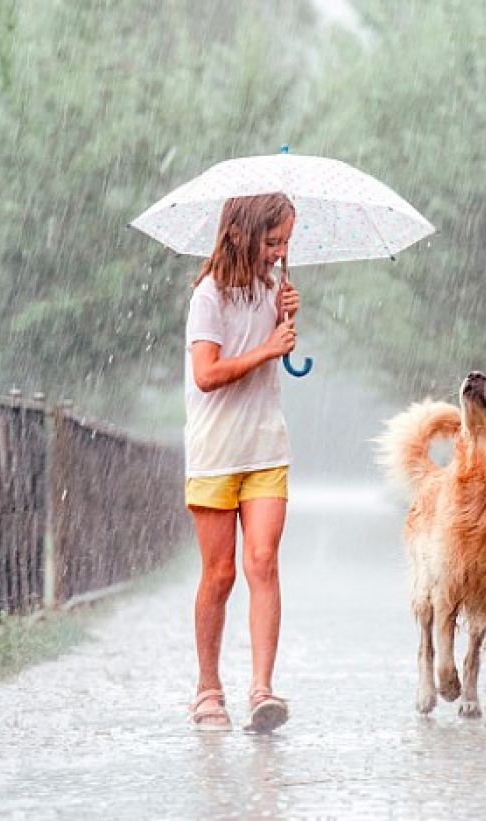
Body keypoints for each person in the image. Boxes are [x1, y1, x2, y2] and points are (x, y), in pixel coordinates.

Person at [183, 191, 299, 734]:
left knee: (263, 561)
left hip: (265, 448)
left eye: (285, 243)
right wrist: (267, 348)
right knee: (221, 572)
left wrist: (283, 319)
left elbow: (274, 351)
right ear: (243, 234)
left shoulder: (274, 288)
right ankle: (208, 686)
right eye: (272, 241)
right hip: (214, 453)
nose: (279, 252)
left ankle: (262, 689)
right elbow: (207, 374)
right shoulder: (208, 296)